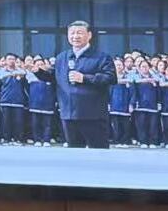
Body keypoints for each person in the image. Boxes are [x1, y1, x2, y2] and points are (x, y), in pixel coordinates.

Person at [33, 20, 115, 149]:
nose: (75, 36)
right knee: (75, 153)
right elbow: (54, 77)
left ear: (89, 35)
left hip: (93, 115)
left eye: (79, 33)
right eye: (72, 33)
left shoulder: (102, 57)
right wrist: (37, 71)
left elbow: (110, 78)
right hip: (69, 113)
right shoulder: (62, 57)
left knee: (99, 152)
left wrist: (85, 78)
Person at [0, 54, 29, 144]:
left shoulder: (21, 72)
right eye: (9, 59)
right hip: (5, 100)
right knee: (5, 121)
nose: (11, 61)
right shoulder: (1, 72)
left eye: (13, 59)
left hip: (18, 100)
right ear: (5, 61)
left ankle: (17, 139)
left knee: (18, 122)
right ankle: (6, 138)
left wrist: (19, 72)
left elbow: (25, 78)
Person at [31, 57, 62, 146]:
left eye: (41, 64)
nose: (40, 66)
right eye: (38, 65)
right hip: (35, 104)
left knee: (48, 124)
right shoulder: (31, 76)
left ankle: (46, 140)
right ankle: (37, 140)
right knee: (36, 124)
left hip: (48, 104)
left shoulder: (51, 77)